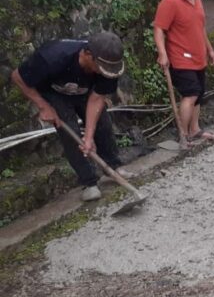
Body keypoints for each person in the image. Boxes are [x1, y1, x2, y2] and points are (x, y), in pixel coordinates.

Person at [11, 32, 133, 201]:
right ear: (87, 54)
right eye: (100, 67)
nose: (104, 72)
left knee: (103, 123)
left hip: (86, 92)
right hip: (55, 94)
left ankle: (113, 166)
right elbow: (18, 77)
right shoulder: (52, 57)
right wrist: (43, 106)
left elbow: (97, 99)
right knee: (70, 134)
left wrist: (89, 136)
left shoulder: (110, 66)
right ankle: (89, 182)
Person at [154, 0, 214, 149]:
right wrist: (162, 53)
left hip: (199, 56)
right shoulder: (170, 3)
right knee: (190, 94)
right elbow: (159, 29)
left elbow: (200, 27)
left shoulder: (196, 0)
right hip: (181, 58)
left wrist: (210, 49)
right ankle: (183, 135)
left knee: (198, 94)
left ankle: (194, 130)